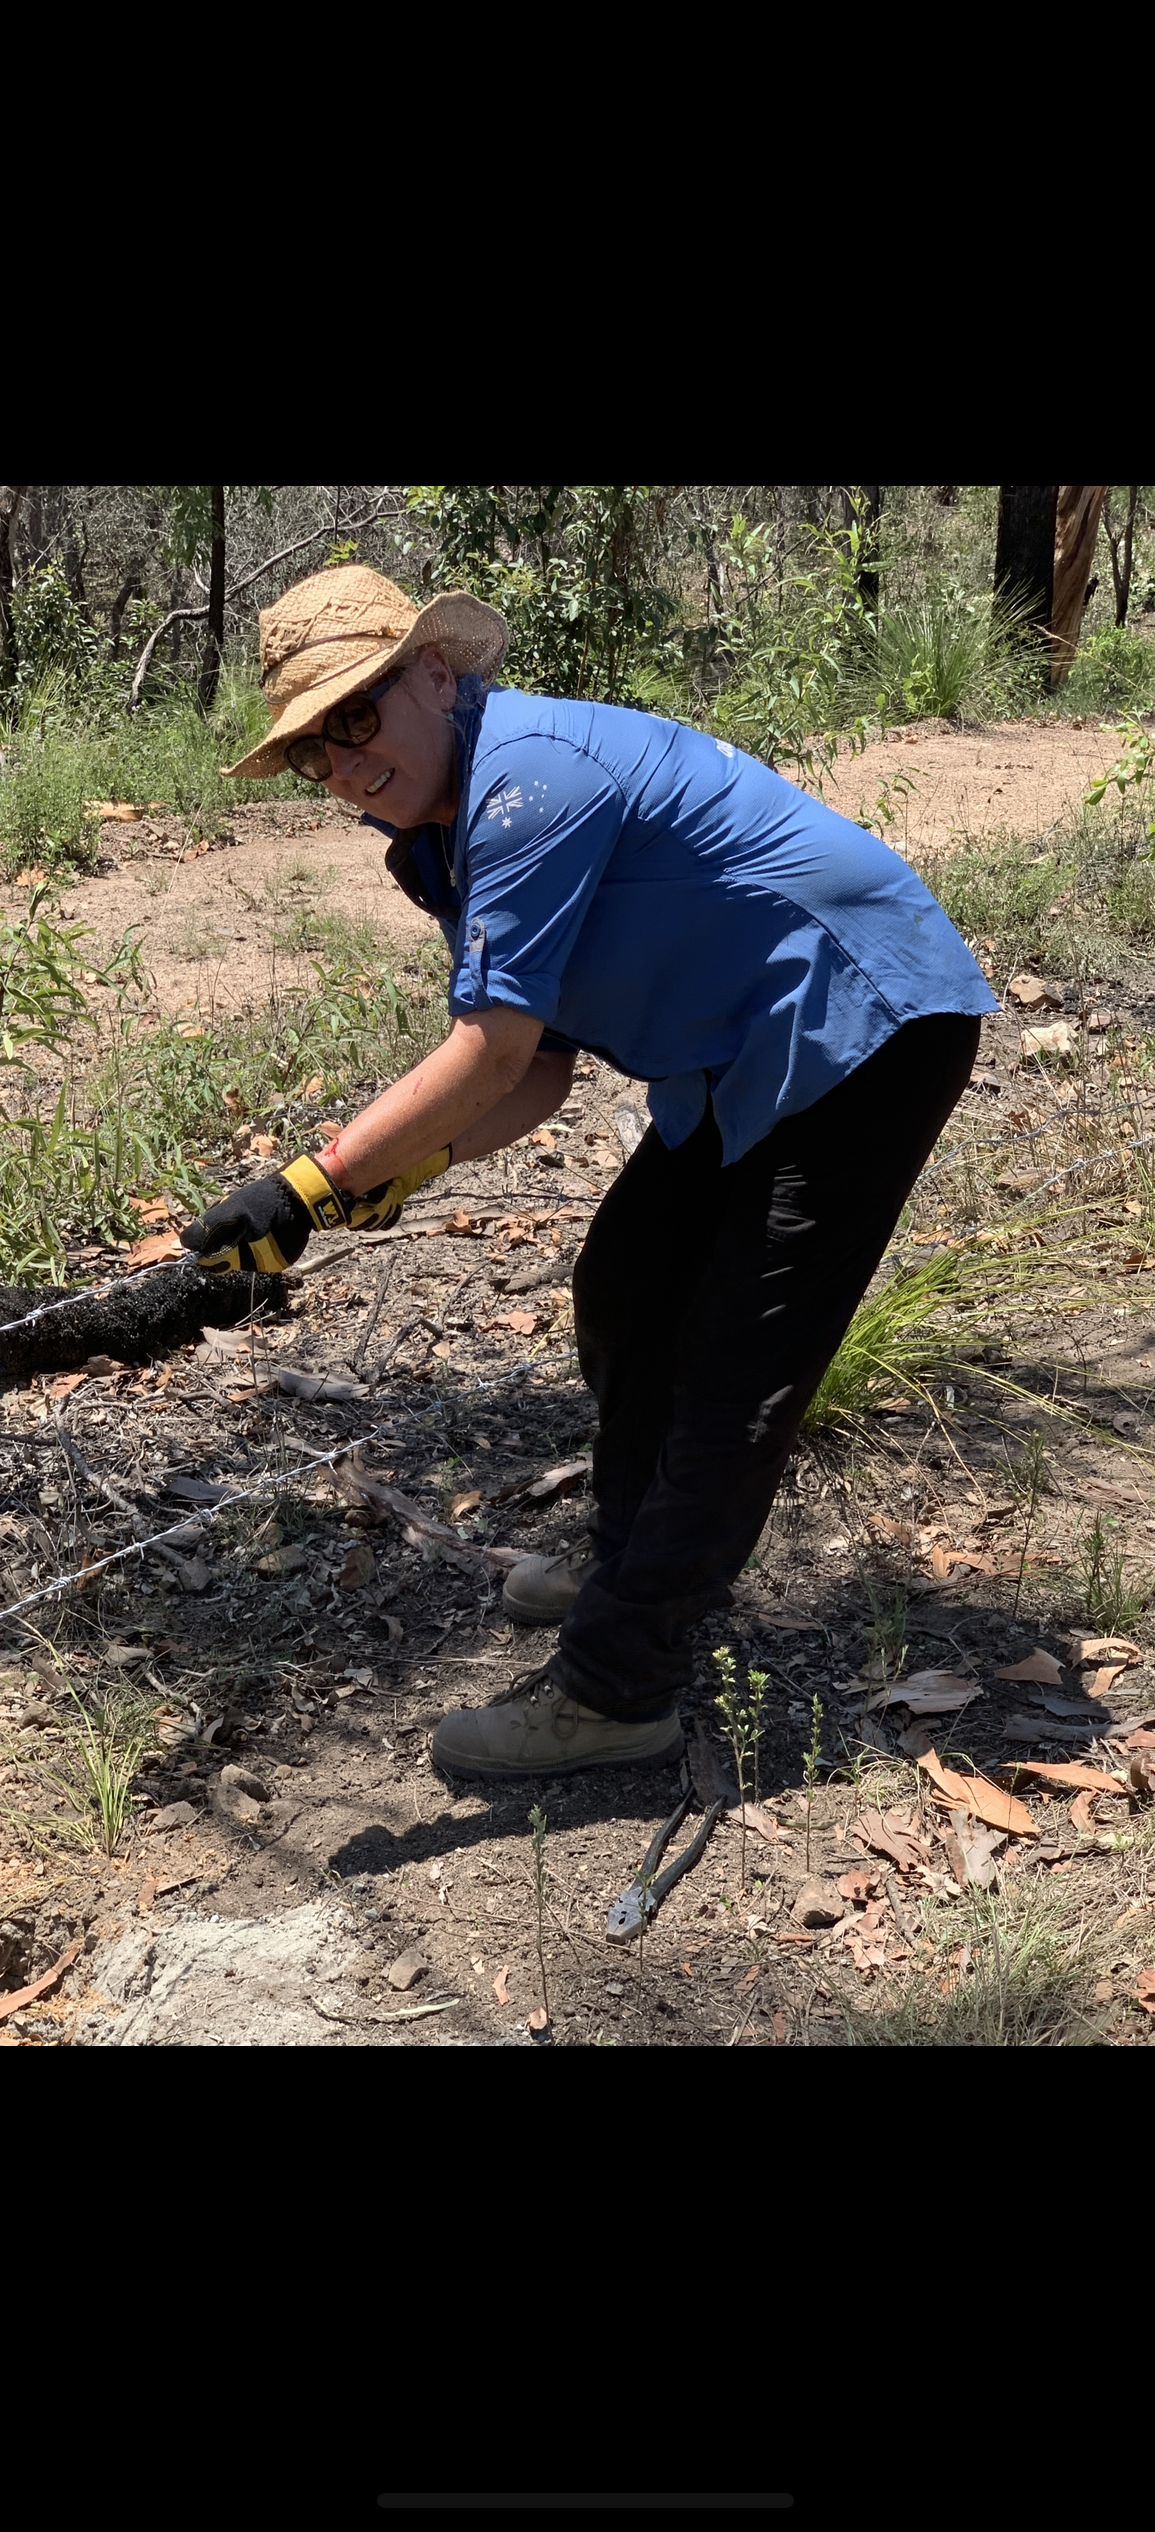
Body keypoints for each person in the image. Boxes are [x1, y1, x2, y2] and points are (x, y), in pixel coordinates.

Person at [184, 563, 998, 1781]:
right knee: (626, 1289)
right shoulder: (439, 838)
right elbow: (542, 1068)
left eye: (354, 716)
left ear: (437, 674)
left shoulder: (528, 781)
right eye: (310, 751)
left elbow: (490, 1045)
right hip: (743, 1053)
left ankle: (622, 1691)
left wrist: (313, 1182)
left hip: (862, 1024)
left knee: (738, 1370)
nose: (342, 767)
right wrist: (399, 1176)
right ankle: (630, 1561)